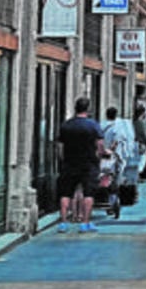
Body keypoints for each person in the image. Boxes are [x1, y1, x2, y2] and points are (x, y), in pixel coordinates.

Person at [57, 97, 106, 233]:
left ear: (75, 108)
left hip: (69, 163)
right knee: (88, 193)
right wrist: (100, 155)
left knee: (66, 193)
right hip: (89, 164)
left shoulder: (66, 125)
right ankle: (85, 223)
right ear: (88, 109)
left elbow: (60, 147)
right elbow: (100, 145)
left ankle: (63, 222)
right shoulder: (93, 125)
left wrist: (64, 160)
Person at [101, 106, 137, 216]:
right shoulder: (118, 126)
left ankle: (109, 200)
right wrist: (111, 150)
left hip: (101, 156)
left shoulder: (101, 125)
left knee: (104, 178)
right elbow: (117, 141)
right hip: (114, 156)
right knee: (115, 178)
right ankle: (113, 201)